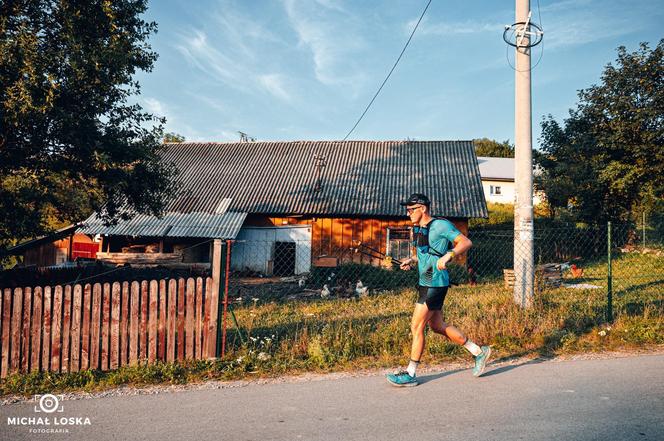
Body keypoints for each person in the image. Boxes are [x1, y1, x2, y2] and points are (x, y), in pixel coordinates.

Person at [386, 193, 491, 387]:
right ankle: (478, 351)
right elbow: (427, 254)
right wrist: (412, 260)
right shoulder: (419, 228)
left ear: (423, 209)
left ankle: (410, 373)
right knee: (436, 326)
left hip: (435, 282)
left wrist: (449, 255)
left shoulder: (440, 225)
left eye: (411, 209)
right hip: (426, 279)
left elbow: (465, 242)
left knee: (416, 327)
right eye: (407, 209)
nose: (407, 212)